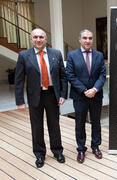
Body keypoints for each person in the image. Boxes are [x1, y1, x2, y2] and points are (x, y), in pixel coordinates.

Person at [15, 28, 68, 168]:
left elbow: (63, 76)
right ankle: (39, 154)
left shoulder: (56, 54)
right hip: (35, 96)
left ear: (46, 39)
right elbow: (19, 80)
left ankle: (57, 151)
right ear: (31, 39)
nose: (38, 40)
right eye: (35, 37)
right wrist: (20, 100)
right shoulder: (24, 55)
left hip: (52, 94)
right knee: (36, 127)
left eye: (41, 37)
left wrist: (63, 94)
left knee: (54, 125)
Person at [66, 29, 106, 163]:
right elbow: (70, 75)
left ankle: (96, 146)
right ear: (79, 39)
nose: (87, 41)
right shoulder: (71, 55)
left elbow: (102, 75)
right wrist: (84, 90)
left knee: (96, 122)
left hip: (96, 95)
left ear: (92, 40)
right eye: (85, 38)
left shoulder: (99, 55)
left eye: (90, 38)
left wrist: (94, 89)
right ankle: (81, 149)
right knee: (80, 123)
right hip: (79, 96)